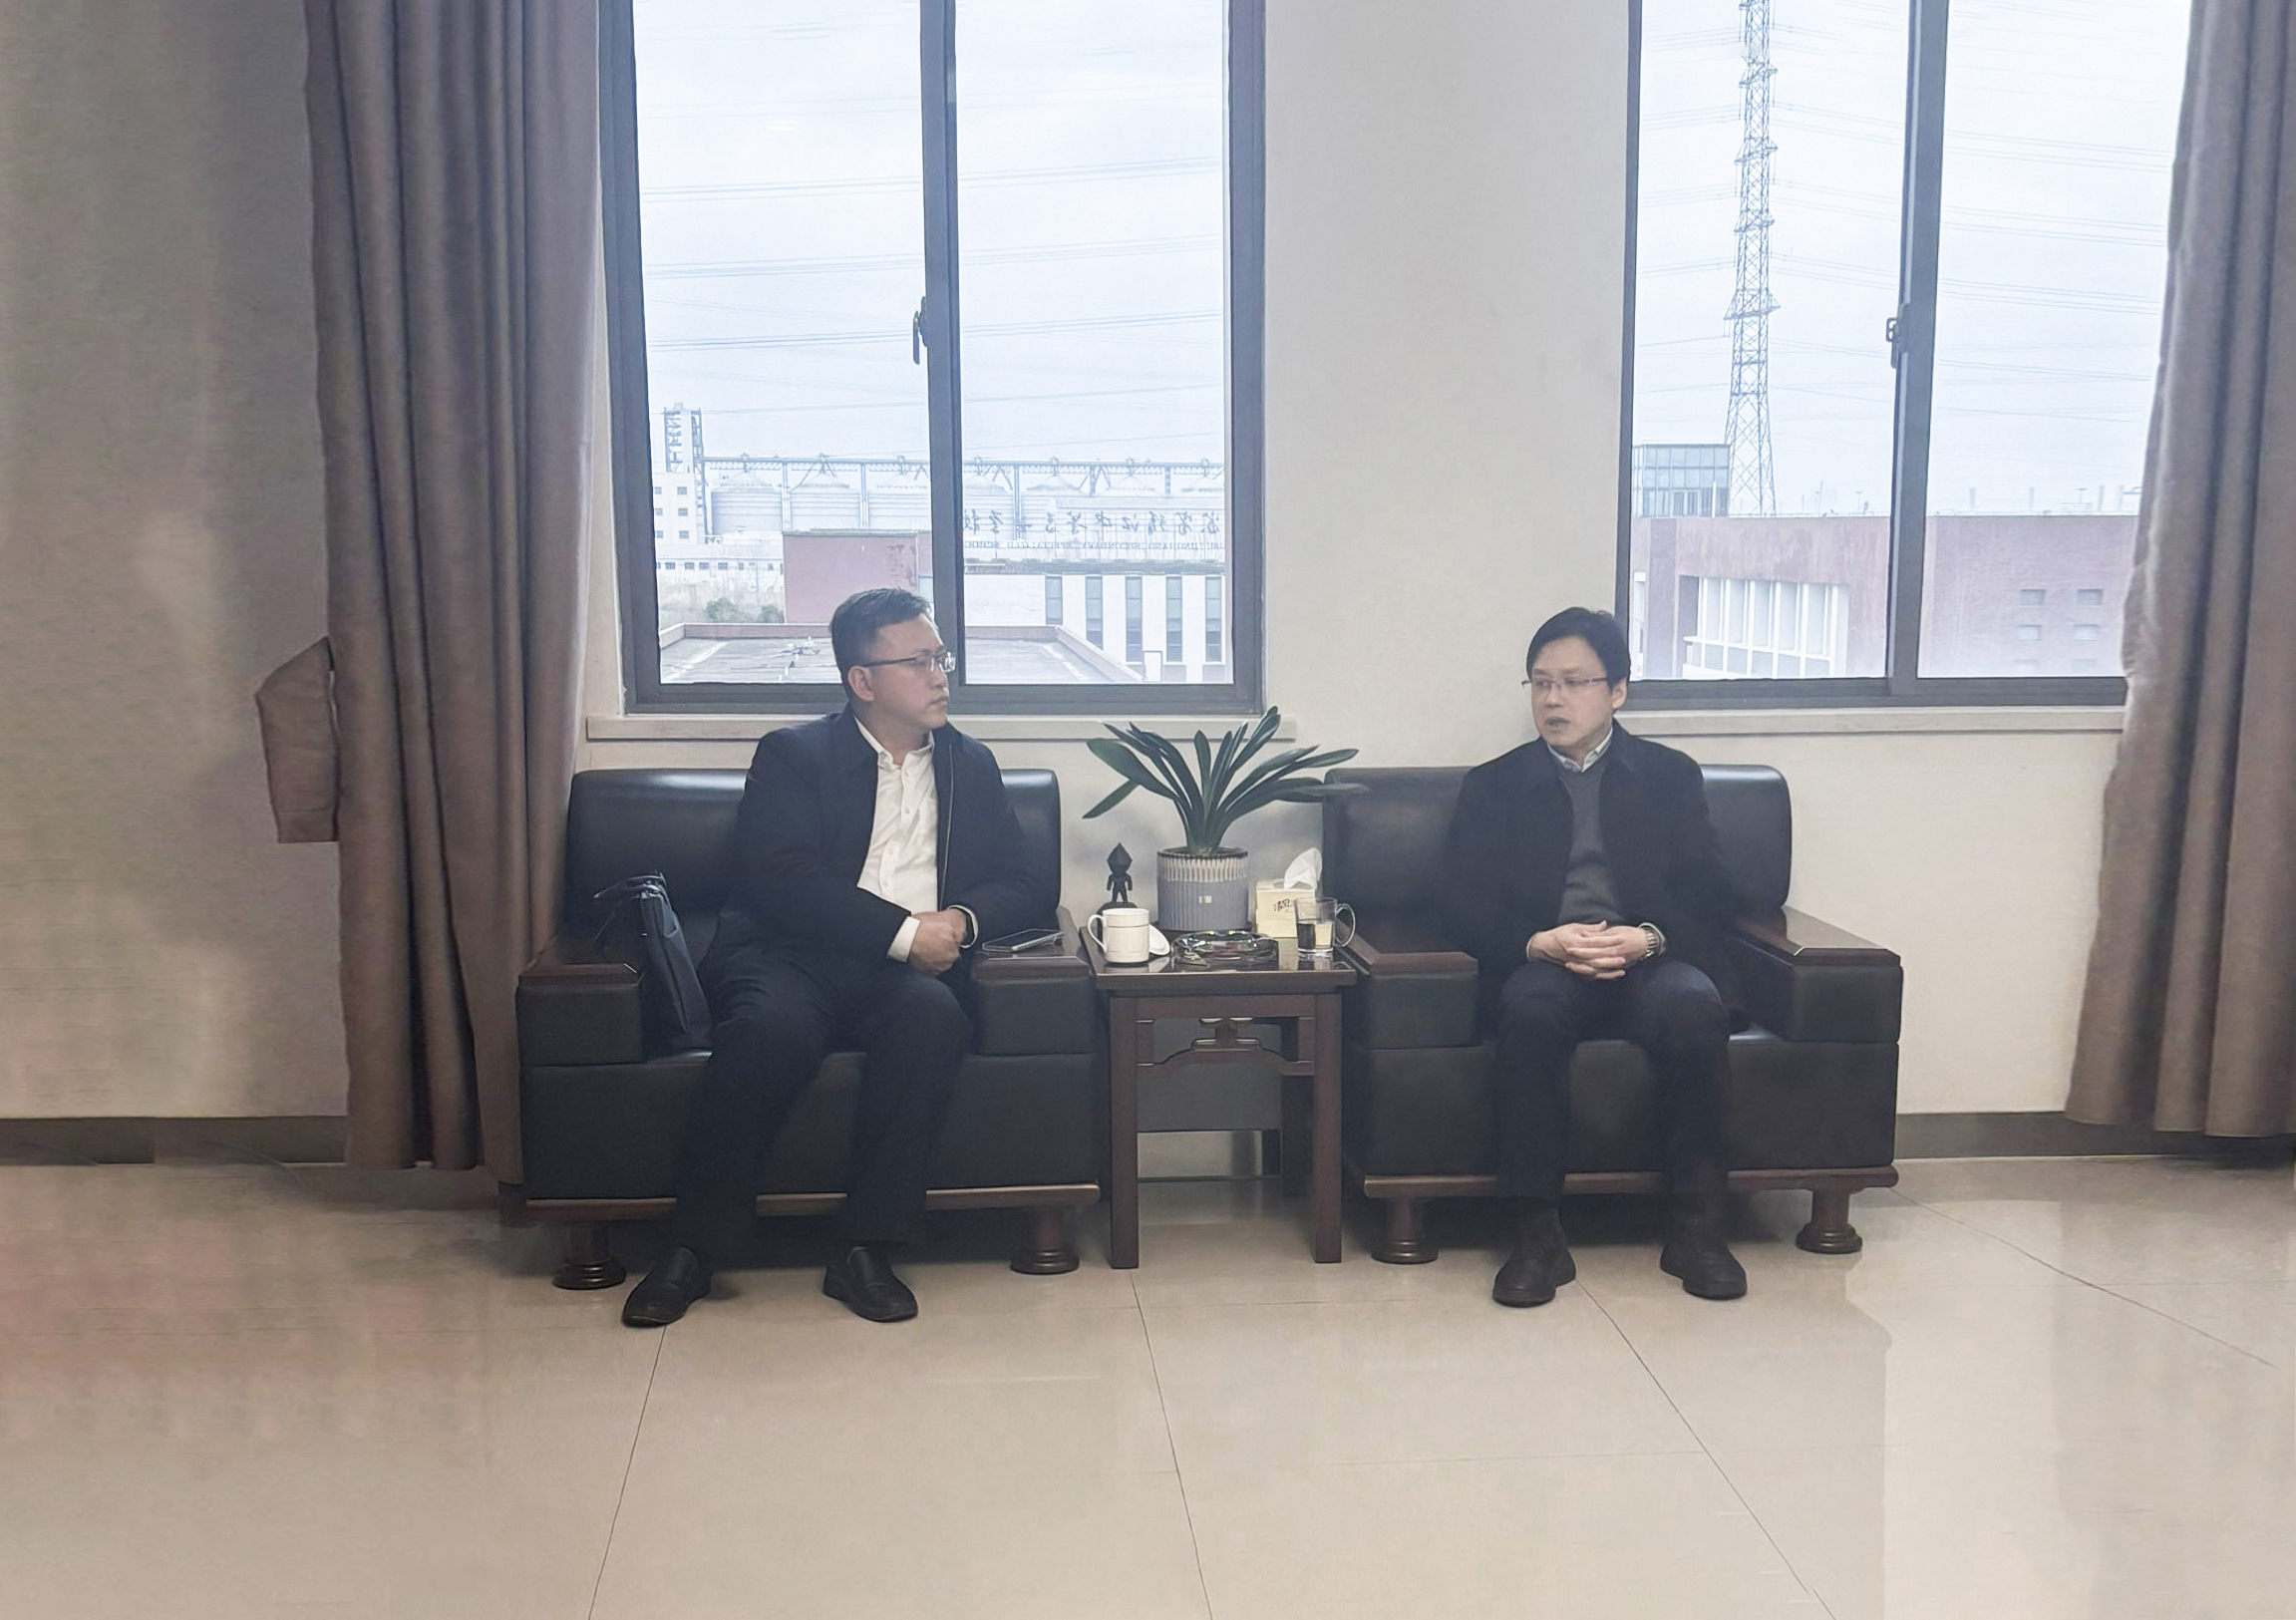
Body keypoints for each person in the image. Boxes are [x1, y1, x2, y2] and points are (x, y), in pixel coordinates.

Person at [621, 589, 1052, 1327]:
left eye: (940, 658)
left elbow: (1024, 882)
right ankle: (692, 1247)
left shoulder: (969, 764)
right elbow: (782, 879)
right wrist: (903, 932)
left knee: (932, 1022)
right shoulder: (795, 755)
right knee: (767, 1032)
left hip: (902, 975)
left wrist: (957, 921)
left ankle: (864, 1247)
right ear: (862, 680)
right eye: (918, 661)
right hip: (788, 957)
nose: (940, 676)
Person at [1441, 606, 1748, 1307]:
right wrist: (1535, 941)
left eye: (1574, 682)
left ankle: (1699, 1228)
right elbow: (1458, 901)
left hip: (1649, 955)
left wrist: (1650, 936)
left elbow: (1710, 892)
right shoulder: (1492, 785)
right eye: (1541, 682)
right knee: (1527, 1009)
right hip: (1548, 960)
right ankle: (1536, 1234)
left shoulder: (1669, 776)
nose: (1553, 699)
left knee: (1695, 1006)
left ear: (1617, 691)